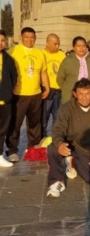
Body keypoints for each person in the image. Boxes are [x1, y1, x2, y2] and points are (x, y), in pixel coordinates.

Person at [46, 79, 90, 197]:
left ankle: (72, 162)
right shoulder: (67, 108)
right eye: (80, 94)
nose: (84, 97)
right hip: (70, 144)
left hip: (88, 149)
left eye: (87, 93)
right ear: (75, 94)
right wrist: (59, 143)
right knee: (52, 148)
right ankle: (56, 181)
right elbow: (58, 129)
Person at [7, 27, 50, 163]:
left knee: (34, 123)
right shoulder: (13, 51)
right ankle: (12, 150)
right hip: (19, 94)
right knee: (16, 123)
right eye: (26, 37)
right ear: (21, 37)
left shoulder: (39, 53)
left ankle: (33, 147)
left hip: (36, 93)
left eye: (32, 37)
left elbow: (43, 72)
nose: (29, 40)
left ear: (35, 38)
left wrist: (47, 88)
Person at [57, 36, 90, 105]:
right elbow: (60, 79)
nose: (81, 48)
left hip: (87, 99)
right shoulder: (67, 61)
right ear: (74, 47)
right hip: (69, 98)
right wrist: (68, 90)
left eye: (83, 46)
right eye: (78, 46)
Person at [42, 33, 66, 137]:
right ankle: (41, 140)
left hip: (59, 91)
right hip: (47, 91)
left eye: (58, 44)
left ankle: (55, 141)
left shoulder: (62, 55)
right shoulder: (41, 54)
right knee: (43, 118)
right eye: (55, 44)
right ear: (47, 43)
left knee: (58, 119)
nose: (57, 46)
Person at [0, 30, 17, 167]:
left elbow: (14, 77)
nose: (0, 43)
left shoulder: (9, 59)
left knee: (2, 130)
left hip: (5, 101)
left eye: (2, 40)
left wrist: (9, 93)